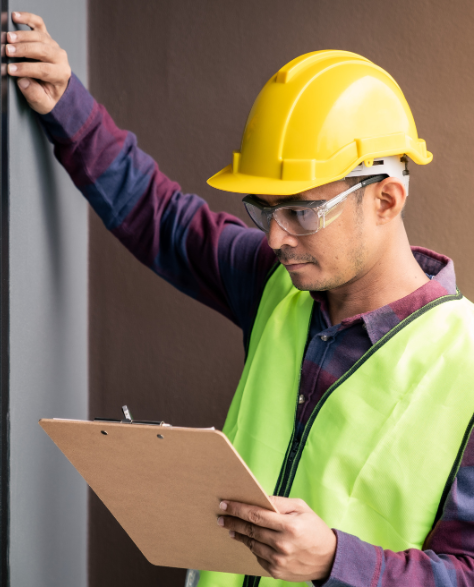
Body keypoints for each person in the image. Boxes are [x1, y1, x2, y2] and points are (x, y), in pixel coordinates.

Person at [7, 11, 474, 587]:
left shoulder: (466, 365)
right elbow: (163, 219)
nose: (276, 238)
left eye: (301, 211)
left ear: (386, 199)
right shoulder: (277, 283)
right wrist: (65, 106)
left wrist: (334, 560)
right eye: (265, 209)